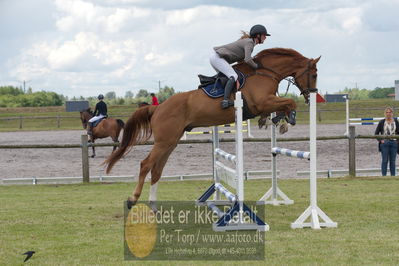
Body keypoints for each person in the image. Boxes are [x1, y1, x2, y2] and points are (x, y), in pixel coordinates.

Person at [210, 24, 270, 109]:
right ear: (258, 35)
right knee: (233, 76)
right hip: (217, 58)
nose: (265, 37)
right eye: (264, 35)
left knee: (227, 78)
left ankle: (220, 97)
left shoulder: (249, 42)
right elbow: (248, 59)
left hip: (216, 58)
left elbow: (241, 60)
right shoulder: (249, 43)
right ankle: (225, 101)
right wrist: (257, 67)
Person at [375, 107, 399, 176]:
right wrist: (381, 140)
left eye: (390, 112)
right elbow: (376, 133)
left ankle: (393, 176)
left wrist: (397, 141)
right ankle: (384, 176)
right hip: (384, 143)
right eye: (387, 112)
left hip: (394, 143)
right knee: (385, 160)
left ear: (392, 113)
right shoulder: (382, 122)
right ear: (385, 113)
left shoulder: (396, 121)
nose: (388, 114)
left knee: (393, 161)